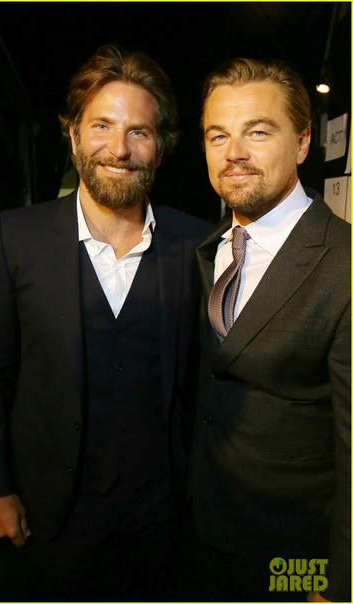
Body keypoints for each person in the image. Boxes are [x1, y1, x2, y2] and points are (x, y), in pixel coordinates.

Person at [0, 44, 211, 601]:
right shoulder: (15, 237)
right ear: (73, 135)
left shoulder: (198, 243)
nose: (119, 149)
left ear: (161, 148)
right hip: (52, 513)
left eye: (138, 132)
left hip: (162, 515)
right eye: (102, 126)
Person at [190, 58, 350, 602]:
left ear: (303, 143)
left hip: (295, 556)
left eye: (257, 132)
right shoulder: (205, 249)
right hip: (199, 537)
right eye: (218, 135)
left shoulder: (345, 263)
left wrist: (337, 584)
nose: (233, 152)